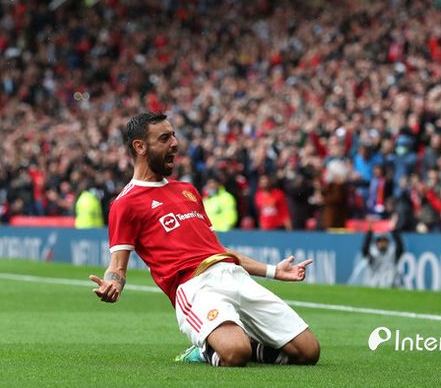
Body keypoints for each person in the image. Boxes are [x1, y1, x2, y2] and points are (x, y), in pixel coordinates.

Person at [89, 113, 320, 367]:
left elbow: (217, 250)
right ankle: (204, 350)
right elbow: (117, 266)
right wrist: (113, 283)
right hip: (195, 286)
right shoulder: (125, 203)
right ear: (140, 146)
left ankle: (239, 342)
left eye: (173, 136)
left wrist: (274, 271)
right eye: (164, 138)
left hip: (233, 275)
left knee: (309, 352)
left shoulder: (187, 190)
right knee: (235, 353)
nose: (175, 143)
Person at [359, 222, 404, 288]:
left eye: (384, 242)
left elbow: (400, 247)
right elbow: (365, 250)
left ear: (388, 243)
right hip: (375, 285)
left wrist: (394, 231)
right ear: (376, 244)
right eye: (380, 242)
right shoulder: (374, 254)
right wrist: (369, 232)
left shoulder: (392, 254)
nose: (383, 244)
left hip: (391, 285)